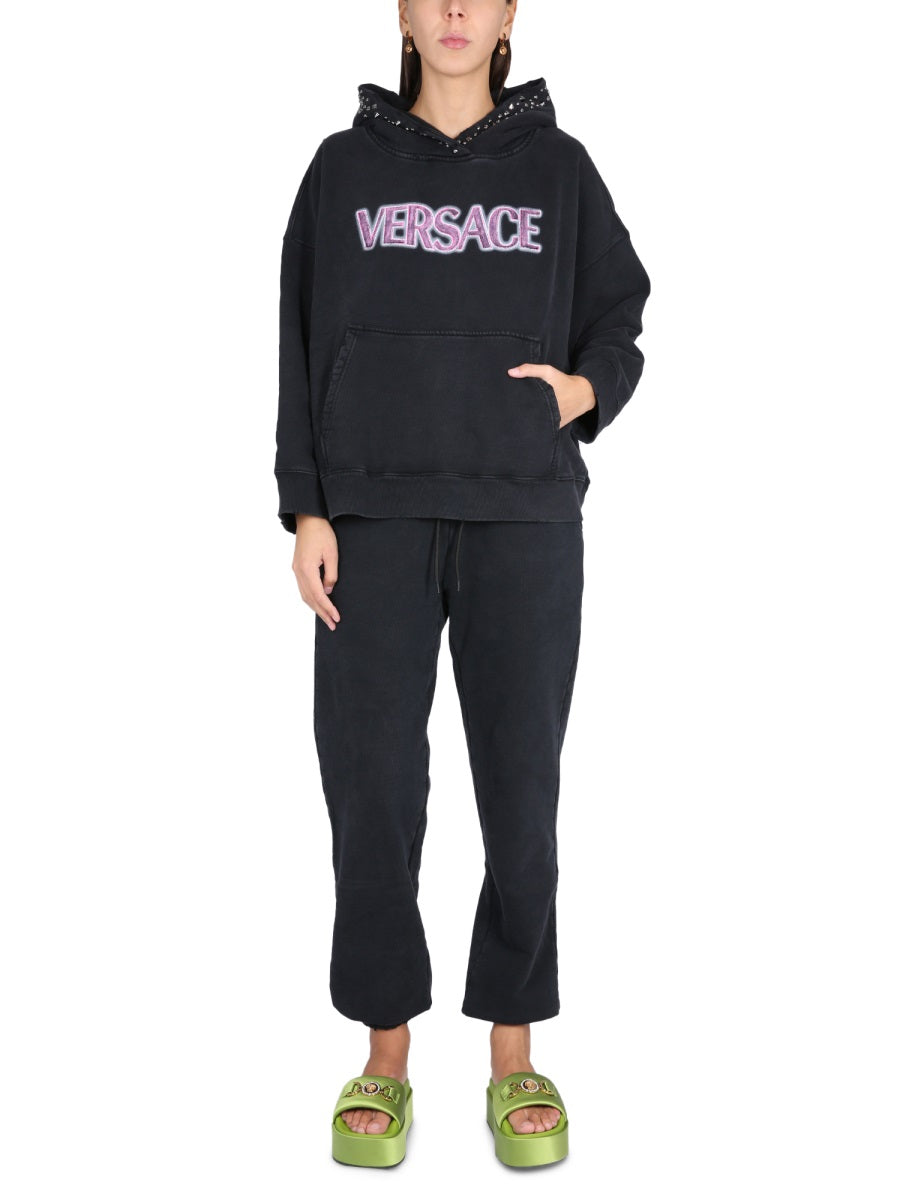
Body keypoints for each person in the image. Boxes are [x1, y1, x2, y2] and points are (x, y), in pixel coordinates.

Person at [274, 0, 650, 1169]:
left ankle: (513, 1047)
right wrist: (307, 505)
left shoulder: (559, 169)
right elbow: (296, 336)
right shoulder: (341, 171)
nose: (453, 10)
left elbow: (620, 313)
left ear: (507, 15)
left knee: (521, 796)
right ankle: (385, 1051)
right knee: (372, 792)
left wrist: (585, 391)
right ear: (401, 12)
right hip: (371, 521)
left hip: (523, 516)